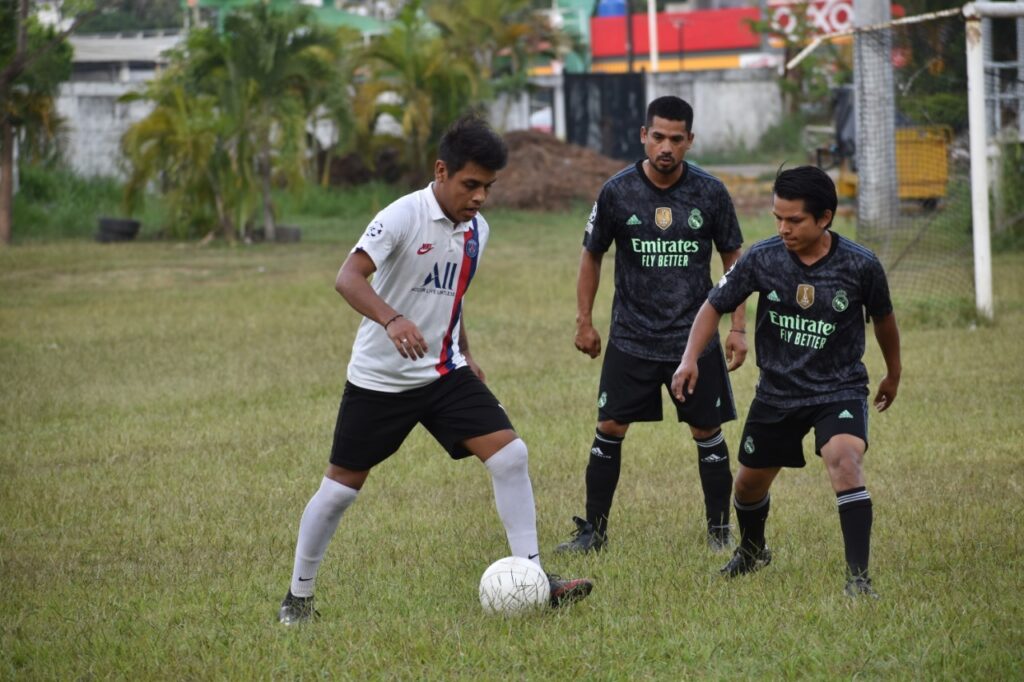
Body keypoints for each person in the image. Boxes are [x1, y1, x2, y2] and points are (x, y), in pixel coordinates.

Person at [277, 115, 593, 625]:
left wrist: (466, 353)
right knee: (338, 491)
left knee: (511, 455)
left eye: (488, 187)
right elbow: (348, 278)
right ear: (441, 171)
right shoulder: (402, 215)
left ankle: (535, 578)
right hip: (380, 381)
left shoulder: (478, 231)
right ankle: (297, 598)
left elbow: (452, 298)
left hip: (445, 373)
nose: (479, 197)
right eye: (470, 184)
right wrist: (392, 319)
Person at [671, 165, 901, 598]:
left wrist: (893, 372)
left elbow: (884, 320)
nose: (783, 228)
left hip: (838, 388)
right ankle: (752, 551)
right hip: (777, 392)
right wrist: (689, 359)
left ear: (825, 217)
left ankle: (858, 580)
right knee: (747, 486)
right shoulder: (763, 257)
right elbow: (714, 305)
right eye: (778, 217)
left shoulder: (860, 264)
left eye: (794, 220)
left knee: (844, 461)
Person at [556, 96, 747, 555]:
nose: (666, 147)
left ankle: (720, 531)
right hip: (632, 336)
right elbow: (592, 254)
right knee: (610, 425)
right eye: (658, 136)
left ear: (689, 141)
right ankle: (594, 532)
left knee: (706, 431)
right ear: (643, 135)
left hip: (694, 339)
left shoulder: (710, 192)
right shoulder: (617, 191)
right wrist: (584, 321)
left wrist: (738, 327)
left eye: (676, 139)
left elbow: (734, 261)